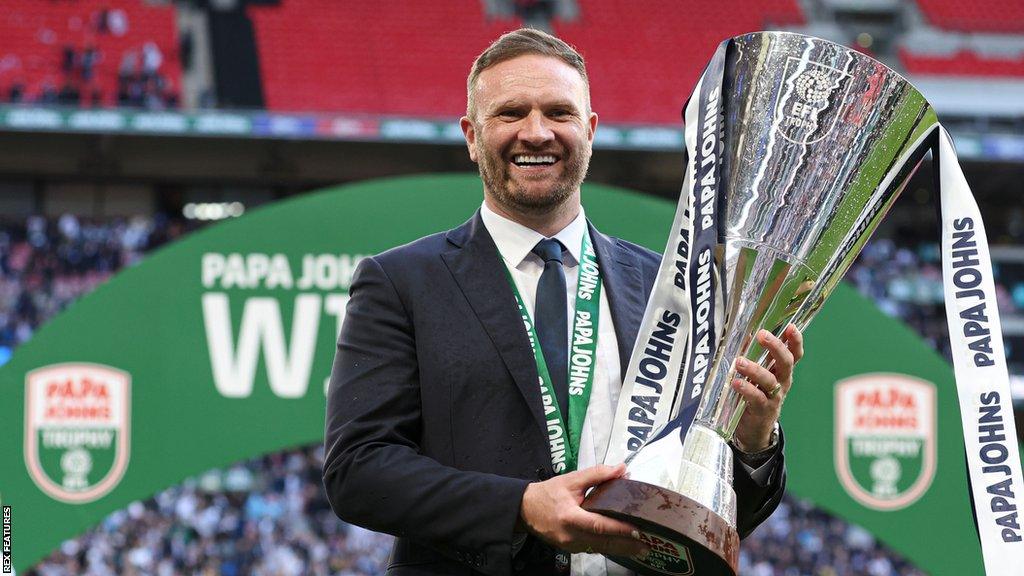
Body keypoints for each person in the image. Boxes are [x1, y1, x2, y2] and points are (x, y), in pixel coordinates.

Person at [323, 28, 803, 576]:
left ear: (590, 130)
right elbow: (357, 472)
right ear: (472, 136)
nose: (536, 132)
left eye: (559, 112)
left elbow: (719, 513)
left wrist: (753, 440)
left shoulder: (671, 288)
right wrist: (520, 508)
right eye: (509, 113)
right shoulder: (400, 283)